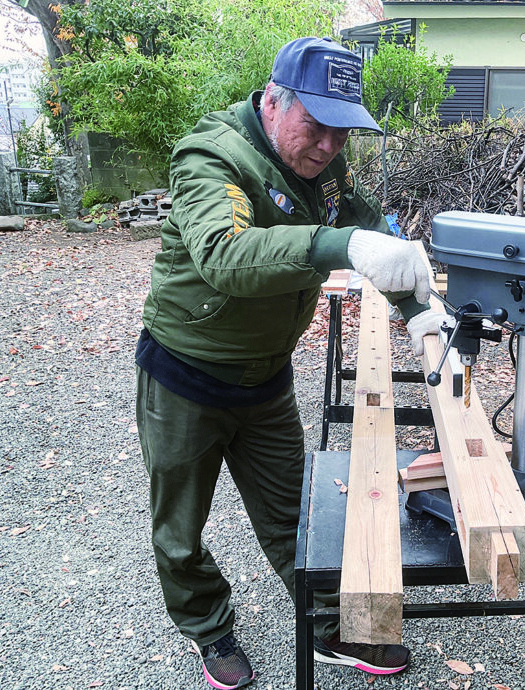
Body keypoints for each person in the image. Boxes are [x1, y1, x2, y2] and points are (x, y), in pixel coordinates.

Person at [135, 36, 445, 689]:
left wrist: (416, 307)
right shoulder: (211, 156)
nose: (329, 146)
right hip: (185, 376)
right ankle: (208, 625)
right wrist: (339, 243)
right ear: (274, 101)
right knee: (180, 529)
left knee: (293, 515)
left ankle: (328, 622)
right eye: (316, 126)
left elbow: (362, 224)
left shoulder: (323, 165)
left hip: (265, 380)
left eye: (343, 132)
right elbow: (225, 254)